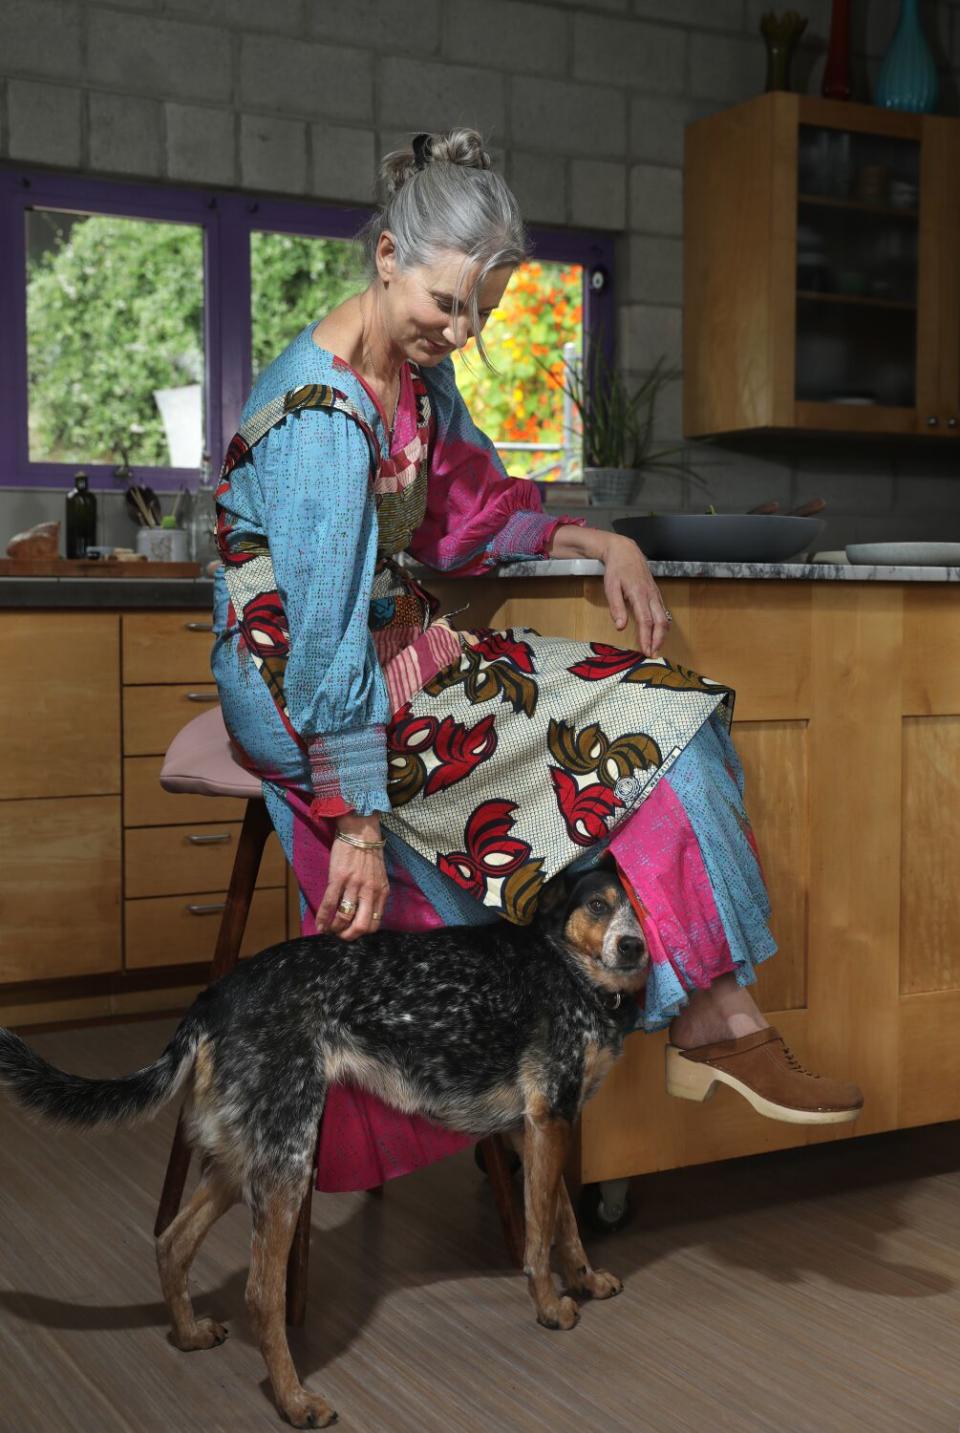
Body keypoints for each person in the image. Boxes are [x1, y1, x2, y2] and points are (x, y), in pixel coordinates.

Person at [212, 128, 861, 1190]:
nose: (460, 333)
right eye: (445, 303)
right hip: (303, 694)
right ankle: (691, 1016)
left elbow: (468, 512)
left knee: (670, 715)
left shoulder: (411, 382)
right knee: (596, 754)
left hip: (398, 655)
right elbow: (322, 646)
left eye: (479, 312)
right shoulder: (322, 418)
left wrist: (591, 537)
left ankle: (716, 1010)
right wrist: (359, 826)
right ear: (385, 258)